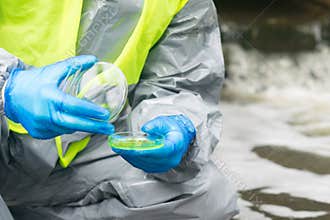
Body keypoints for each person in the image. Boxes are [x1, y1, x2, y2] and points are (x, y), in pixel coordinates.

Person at [0, 0, 238, 219]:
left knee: (205, 198)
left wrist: (175, 123)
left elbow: (180, 82)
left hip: (77, 150)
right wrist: (8, 87)